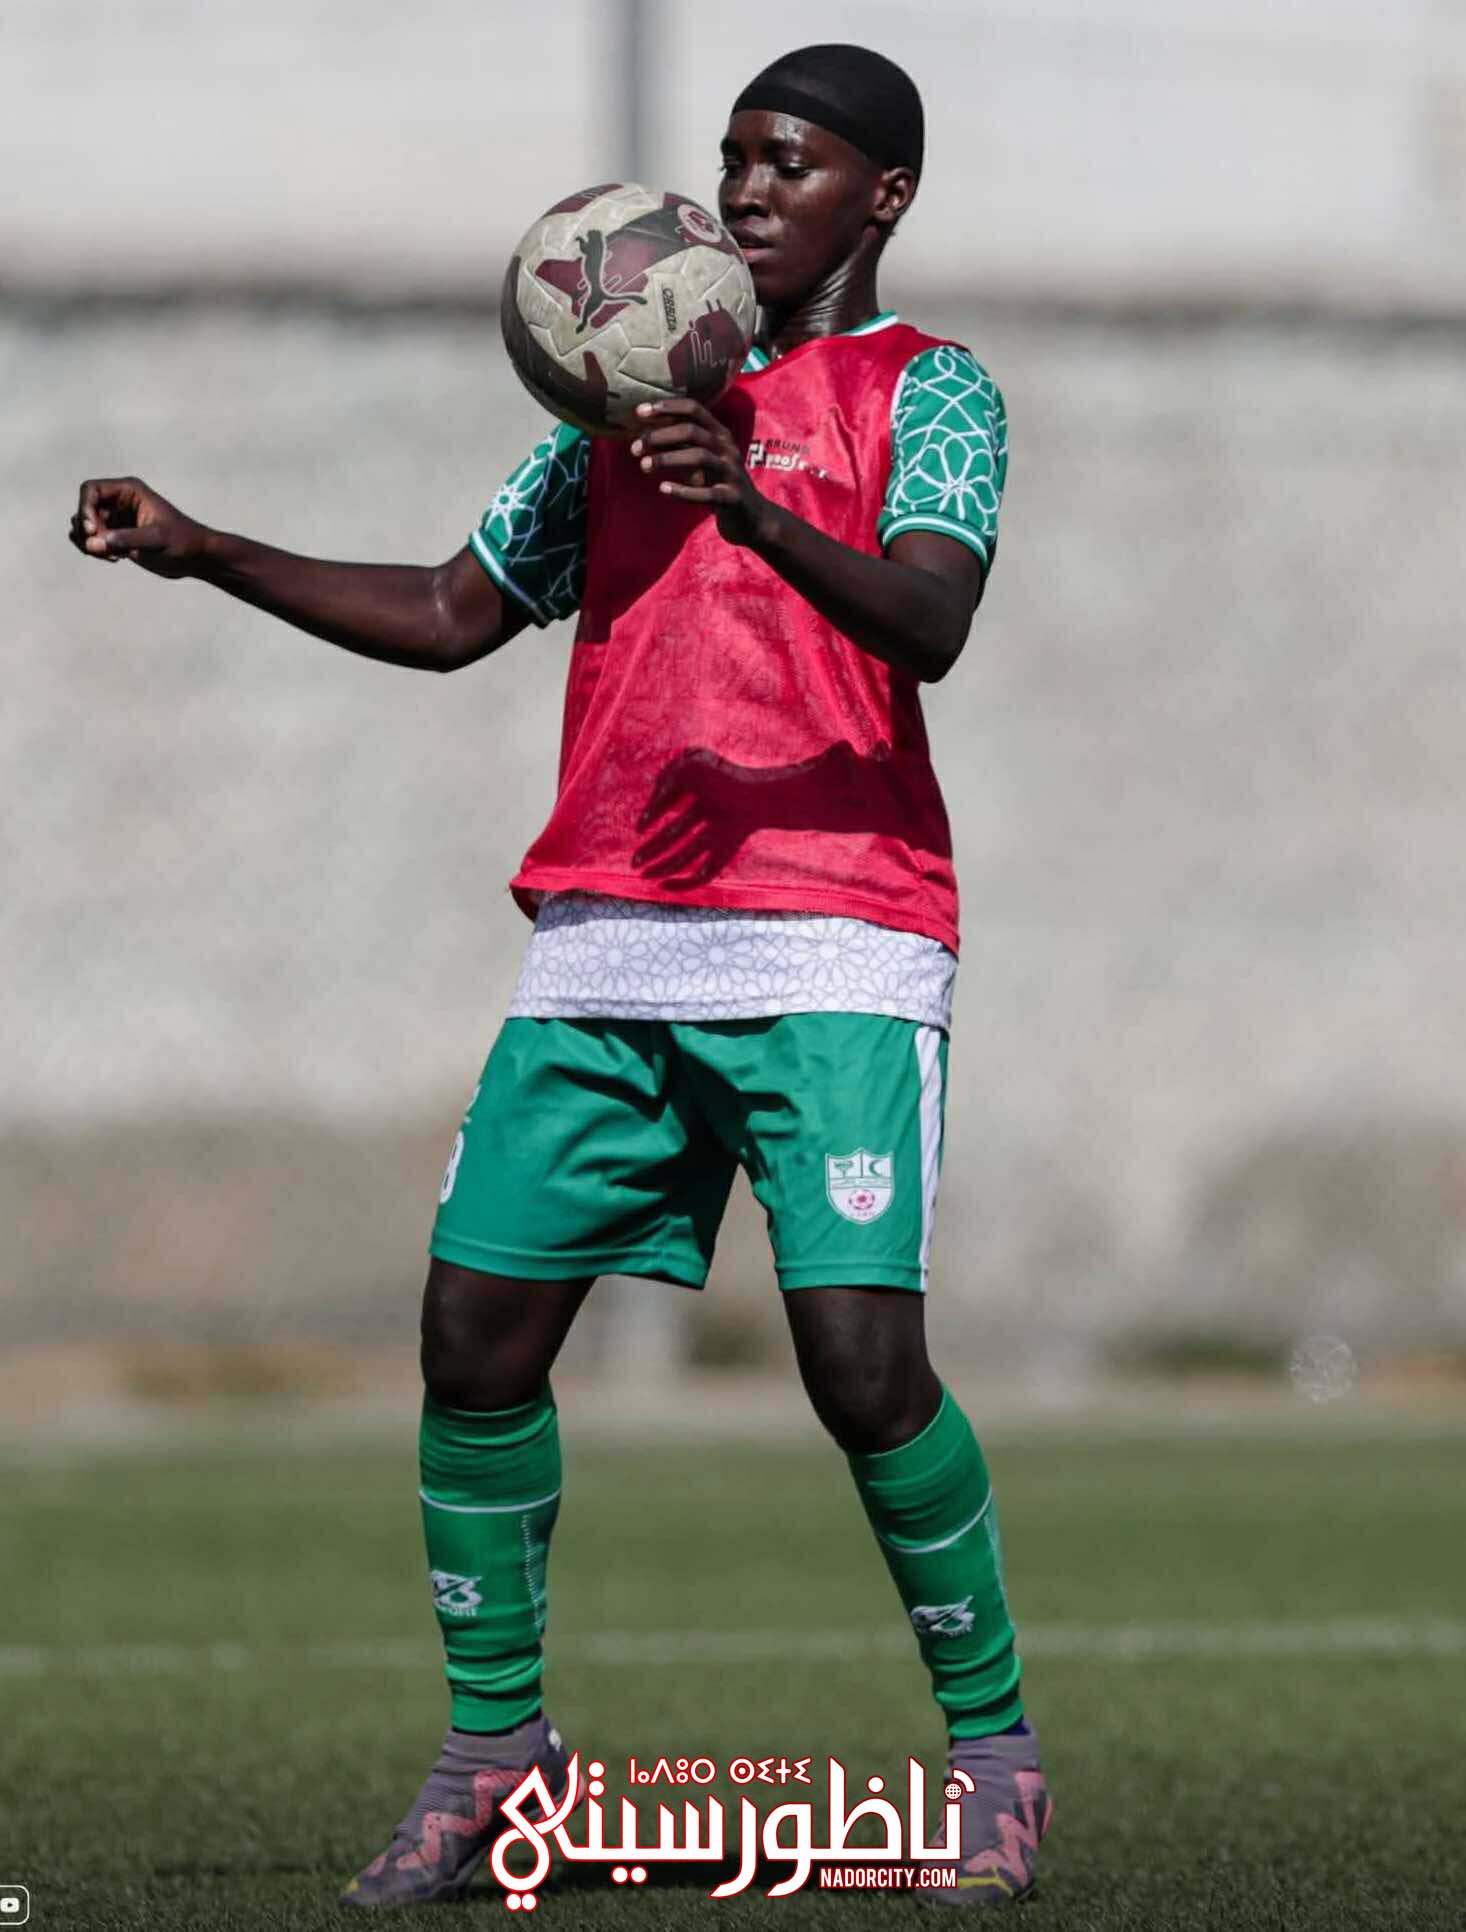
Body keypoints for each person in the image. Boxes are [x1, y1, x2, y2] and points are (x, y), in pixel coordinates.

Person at [69, 42, 1052, 1909]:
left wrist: (754, 504)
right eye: (734, 157)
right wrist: (205, 550)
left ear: (884, 198)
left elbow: (931, 615)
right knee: (473, 1335)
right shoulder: (619, 405)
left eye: (792, 162)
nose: (747, 190)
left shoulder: (927, 389)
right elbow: (453, 613)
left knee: (862, 1371)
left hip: (833, 936)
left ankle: (994, 1763)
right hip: (606, 940)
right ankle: (496, 1761)